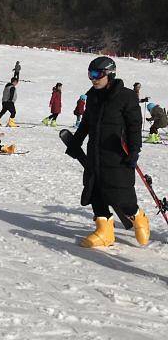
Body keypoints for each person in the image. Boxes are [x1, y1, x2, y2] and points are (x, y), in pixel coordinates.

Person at [64, 56, 149, 248]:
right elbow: (86, 123)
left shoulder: (126, 97)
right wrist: (75, 142)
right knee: (95, 191)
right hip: (95, 152)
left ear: (109, 74)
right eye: (90, 74)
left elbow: (135, 126)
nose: (93, 79)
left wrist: (134, 151)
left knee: (121, 195)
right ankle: (105, 231)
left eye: (96, 75)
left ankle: (139, 217)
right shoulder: (92, 96)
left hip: (117, 154)